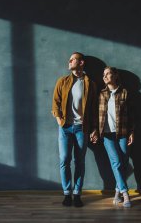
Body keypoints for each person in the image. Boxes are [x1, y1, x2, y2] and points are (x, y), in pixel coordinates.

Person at [51, 52, 98, 207]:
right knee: (64, 159)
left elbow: (93, 109)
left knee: (79, 161)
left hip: (81, 128)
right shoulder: (62, 81)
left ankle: (77, 194)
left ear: (81, 62)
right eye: (69, 59)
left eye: (72, 59)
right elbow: (55, 103)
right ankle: (67, 194)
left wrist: (94, 129)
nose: (69, 61)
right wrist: (59, 120)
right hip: (64, 128)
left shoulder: (90, 83)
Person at [91, 66, 134, 208]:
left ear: (115, 76)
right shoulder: (101, 94)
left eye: (109, 73)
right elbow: (96, 116)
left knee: (123, 163)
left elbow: (133, 116)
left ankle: (117, 193)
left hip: (122, 133)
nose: (106, 76)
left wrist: (132, 132)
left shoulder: (125, 93)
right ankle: (126, 194)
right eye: (104, 74)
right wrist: (95, 131)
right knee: (116, 162)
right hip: (107, 135)